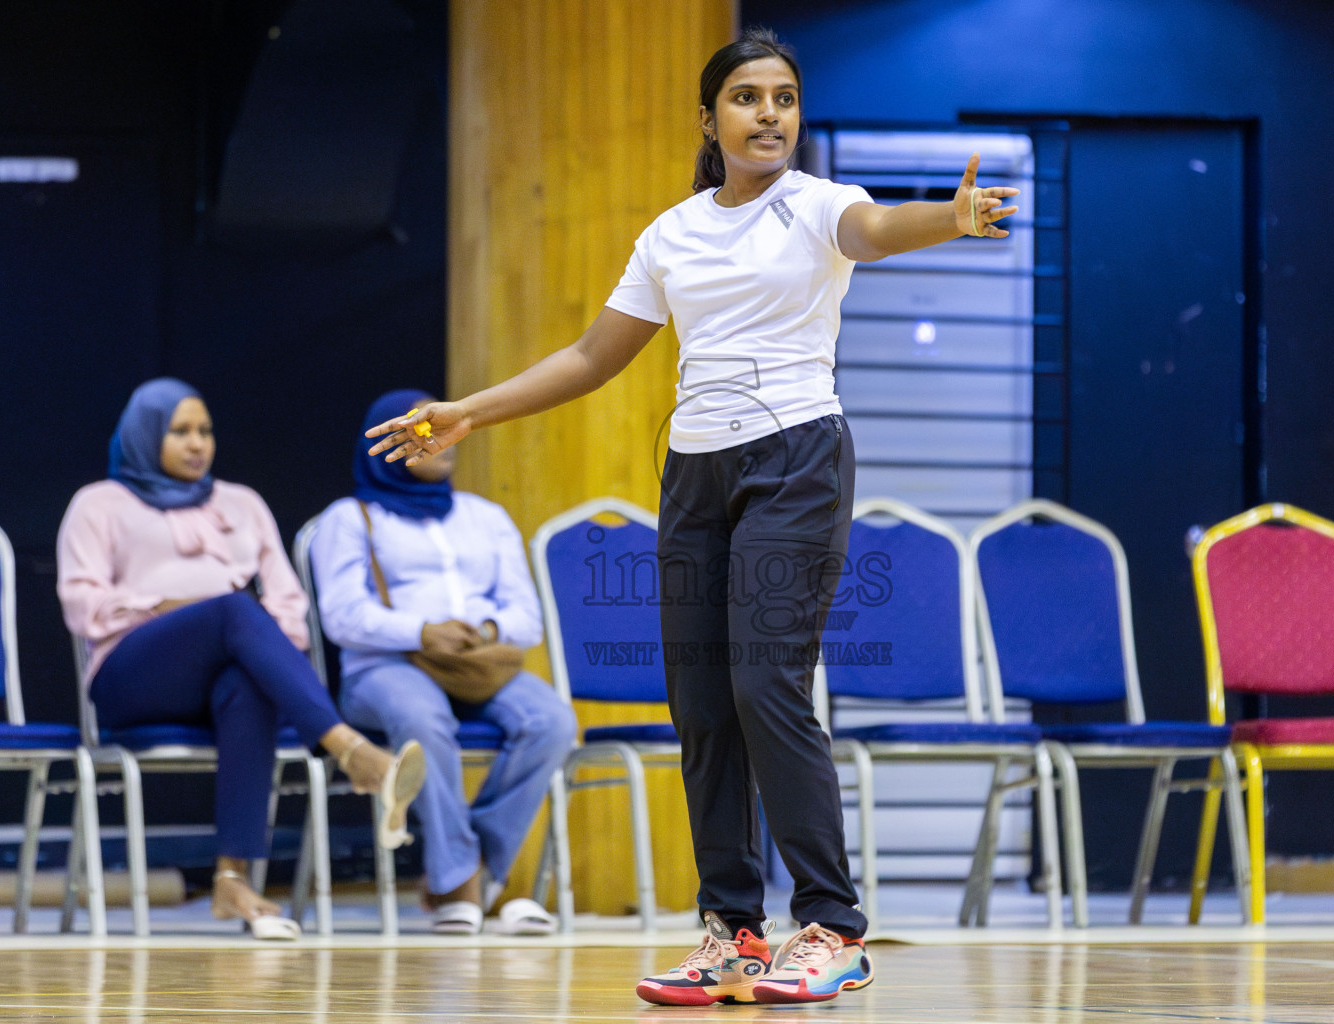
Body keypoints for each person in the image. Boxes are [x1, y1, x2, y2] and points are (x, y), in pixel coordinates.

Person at [366, 27, 1017, 1004]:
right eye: (748, 97)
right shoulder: (672, 232)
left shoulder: (818, 206)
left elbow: (878, 232)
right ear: (709, 118)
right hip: (695, 472)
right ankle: (732, 930)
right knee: (704, 705)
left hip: (796, 458)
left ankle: (832, 925)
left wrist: (951, 217)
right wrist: (470, 409)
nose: (769, 114)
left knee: (767, 684)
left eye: (784, 98)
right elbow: (592, 359)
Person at [58, 378, 426, 941]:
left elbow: (288, 602)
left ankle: (232, 879)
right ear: (144, 434)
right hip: (131, 673)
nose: (197, 443)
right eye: (179, 431)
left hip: (222, 670)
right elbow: (82, 603)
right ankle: (352, 751)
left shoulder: (242, 503)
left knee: (248, 677)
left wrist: (253, 636)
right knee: (232, 610)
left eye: (205, 431)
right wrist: (161, 607)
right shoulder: (99, 504)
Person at [309, 388, 576, 936]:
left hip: (478, 664)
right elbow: (342, 616)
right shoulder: (349, 518)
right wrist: (422, 631)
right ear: (386, 443)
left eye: (441, 427)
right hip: (384, 668)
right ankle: (461, 884)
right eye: (420, 429)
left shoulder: (486, 517)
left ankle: (468, 872)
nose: (441, 440)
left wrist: (484, 631)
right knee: (423, 717)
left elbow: (526, 616)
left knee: (552, 721)